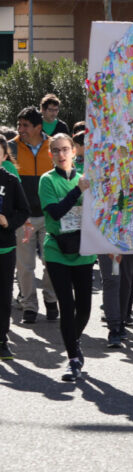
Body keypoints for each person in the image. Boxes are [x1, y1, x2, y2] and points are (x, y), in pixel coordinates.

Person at [39, 133, 96, 381]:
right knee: (67, 305)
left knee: (84, 309)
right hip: (57, 250)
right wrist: (77, 192)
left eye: (65, 149)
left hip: (83, 250)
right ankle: (73, 360)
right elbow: (56, 212)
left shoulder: (86, 177)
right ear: (50, 154)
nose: (60, 154)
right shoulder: (47, 180)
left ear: (74, 151)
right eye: (55, 150)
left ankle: (74, 340)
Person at [10, 106, 57, 324]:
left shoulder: (54, 146)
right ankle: (29, 306)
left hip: (50, 217)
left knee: (51, 262)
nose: (20, 129)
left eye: (25, 125)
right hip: (24, 219)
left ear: (38, 127)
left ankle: (51, 300)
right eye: (19, 125)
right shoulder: (11, 147)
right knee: (25, 266)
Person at [0, 147, 31, 360]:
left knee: (3, 295)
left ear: (4, 156)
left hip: (5, 246)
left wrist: (8, 222)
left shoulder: (10, 181)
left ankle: (2, 339)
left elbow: (24, 210)